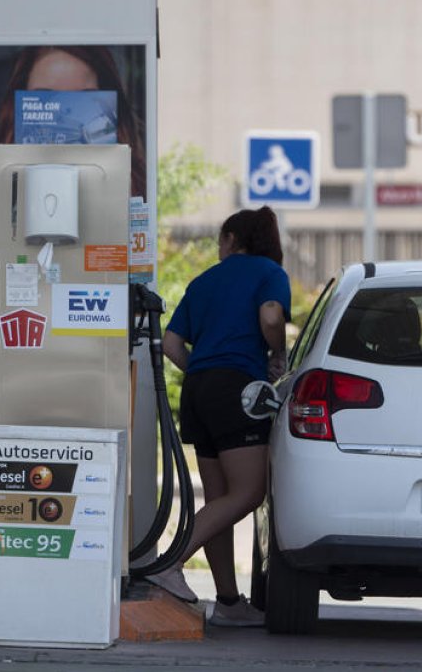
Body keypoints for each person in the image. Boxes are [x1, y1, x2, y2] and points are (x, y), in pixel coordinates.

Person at [150, 206, 290, 627]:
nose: (218, 248)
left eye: (219, 241)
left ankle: (228, 602)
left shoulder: (205, 281)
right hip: (237, 389)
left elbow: (171, 344)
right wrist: (278, 354)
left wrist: (202, 369)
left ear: (231, 239)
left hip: (197, 388)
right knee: (248, 493)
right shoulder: (270, 272)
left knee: (220, 501)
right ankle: (168, 565)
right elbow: (270, 316)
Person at [0, 45, 147, 200]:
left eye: (84, 101)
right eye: (44, 100)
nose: (62, 117)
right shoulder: (0, 187)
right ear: (15, 112)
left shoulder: (129, 192)